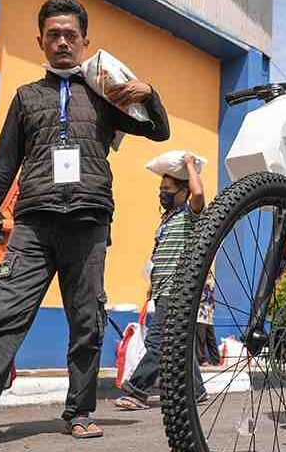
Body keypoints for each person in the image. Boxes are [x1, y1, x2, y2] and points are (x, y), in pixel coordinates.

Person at [0, 0, 170, 448]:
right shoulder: (27, 97)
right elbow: (3, 168)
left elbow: (158, 131)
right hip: (34, 223)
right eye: (53, 35)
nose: (62, 42)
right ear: (40, 42)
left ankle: (80, 410)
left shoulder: (103, 96)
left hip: (88, 221)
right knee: (5, 315)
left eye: (70, 35)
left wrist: (150, 95)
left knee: (86, 322)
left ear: (85, 42)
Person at [116, 153, 206, 410]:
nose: (162, 194)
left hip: (178, 291)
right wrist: (151, 287)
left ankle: (137, 391)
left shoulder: (191, 214)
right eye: (161, 189)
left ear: (183, 191)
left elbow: (199, 195)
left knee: (159, 342)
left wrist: (189, 164)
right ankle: (197, 391)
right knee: (178, 345)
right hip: (163, 290)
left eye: (167, 189)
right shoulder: (166, 219)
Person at [196, 277, 221, 366]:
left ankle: (216, 359)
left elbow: (211, 299)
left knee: (211, 339)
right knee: (201, 338)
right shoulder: (199, 284)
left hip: (208, 315)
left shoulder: (210, 284)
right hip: (200, 315)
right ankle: (201, 360)